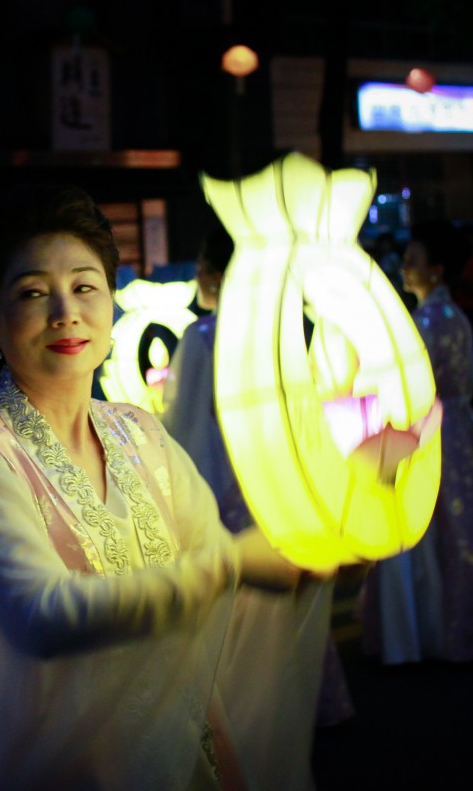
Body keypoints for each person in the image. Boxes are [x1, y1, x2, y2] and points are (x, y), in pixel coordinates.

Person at [0, 184, 333, 791]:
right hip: (58, 761)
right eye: (33, 293)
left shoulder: (139, 430)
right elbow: (39, 616)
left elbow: (221, 566)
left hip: (181, 739)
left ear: (112, 304)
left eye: (85, 286)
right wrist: (231, 564)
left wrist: (319, 547)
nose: (66, 312)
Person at [161, 223, 356, 745]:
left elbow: (184, 424)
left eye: (204, 266)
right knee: (286, 592)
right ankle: (307, 700)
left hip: (223, 477)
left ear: (221, 274)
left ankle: (242, 711)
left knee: (233, 602)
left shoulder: (202, 336)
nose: (199, 276)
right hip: (278, 474)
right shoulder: (284, 330)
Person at [359, 218, 473, 664]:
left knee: (424, 533)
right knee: (467, 530)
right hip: (464, 428)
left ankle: (425, 631)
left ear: (435, 269)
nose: (404, 268)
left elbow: (409, 386)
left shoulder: (422, 321)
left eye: (412, 261)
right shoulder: (455, 315)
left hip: (429, 432)